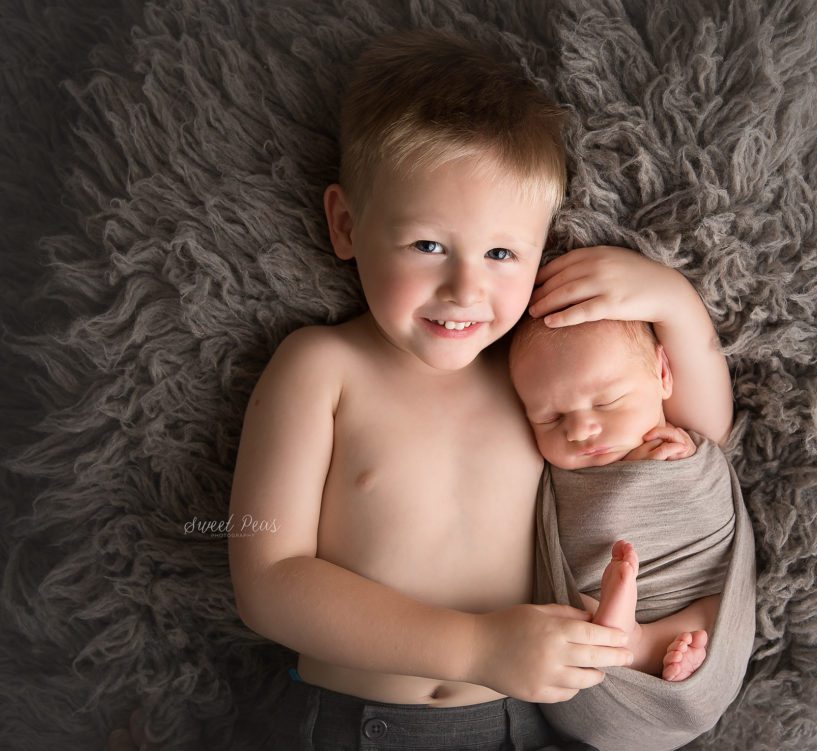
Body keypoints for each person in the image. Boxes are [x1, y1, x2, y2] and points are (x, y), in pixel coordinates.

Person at [110, 27, 733, 751]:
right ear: (346, 224)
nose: (466, 287)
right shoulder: (322, 368)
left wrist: (675, 306)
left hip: (519, 721)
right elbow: (270, 577)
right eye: (429, 245)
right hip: (355, 722)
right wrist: (474, 647)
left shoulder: (533, 379)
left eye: (503, 253)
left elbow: (691, 441)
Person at [507, 316, 755, 750]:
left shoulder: (679, 440)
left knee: (720, 610)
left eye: (606, 402)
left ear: (662, 374)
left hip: (692, 592)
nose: (580, 430)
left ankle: (637, 644)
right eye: (551, 417)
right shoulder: (558, 473)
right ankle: (632, 642)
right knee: (564, 611)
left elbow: (712, 494)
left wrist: (690, 460)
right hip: (597, 623)